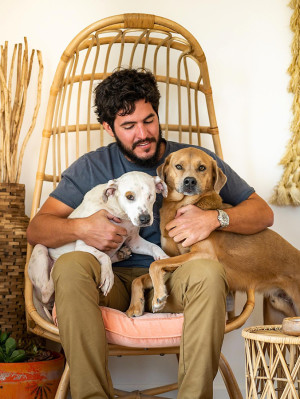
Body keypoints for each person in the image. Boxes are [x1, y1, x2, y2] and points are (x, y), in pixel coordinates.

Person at [27, 68, 274, 399]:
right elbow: (37, 228)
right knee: (70, 266)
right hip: (106, 282)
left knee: (210, 270)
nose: (143, 133)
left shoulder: (193, 160)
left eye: (149, 120)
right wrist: (81, 227)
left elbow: (263, 212)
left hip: (173, 282)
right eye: (128, 126)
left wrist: (214, 218)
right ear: (108, 128)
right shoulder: (91, 168)